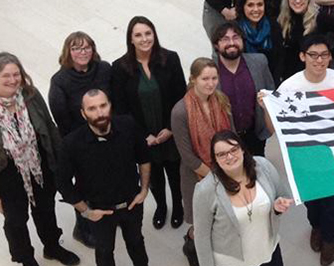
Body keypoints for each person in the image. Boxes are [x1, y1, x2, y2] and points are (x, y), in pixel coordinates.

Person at [0, 53, 80, 266]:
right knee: (16, 220)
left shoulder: (31, 95)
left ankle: (52, 247)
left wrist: (63, 162)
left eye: (16, 74)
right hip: (7, 172)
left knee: (45, 209)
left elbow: (50, 126)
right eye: (6, 76)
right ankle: (25, 258)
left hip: (39, 164)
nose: (13, 80)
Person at [270, 34, 334, 266]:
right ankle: (316, 226)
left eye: (324, 55)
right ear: (302, 56)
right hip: (302, 156)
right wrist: (267, 106)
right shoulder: (289, 87)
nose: (319, 60)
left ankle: (330, 238)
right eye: (313, 55)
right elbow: (275, 126)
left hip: (332, 155)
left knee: (333, 202)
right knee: (312, 200)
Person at [57, 89, 151, 266]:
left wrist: (144, 189)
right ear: (83, 114)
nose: (99, 113)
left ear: (110, 106)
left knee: (136, 242)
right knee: (105, 251)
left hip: (132, 203)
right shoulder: (71, 144)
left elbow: (144, 157)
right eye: (92, 108)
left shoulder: (128, 125)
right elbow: (63, 183)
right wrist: (86, 211)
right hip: (99, 211)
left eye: (103, 105)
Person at [111, 16, 186, 232]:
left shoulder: (170, 59)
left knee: (174, 172)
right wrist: (143, 135)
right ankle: (161, 206)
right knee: (153, 176)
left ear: (154, 34)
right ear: (130, 39)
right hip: (142, 137)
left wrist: (170, 128)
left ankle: (178, 206)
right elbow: (121, 108)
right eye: (138, 35)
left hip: (169, 131)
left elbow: (180, 96)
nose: (144, 39)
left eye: (148, 33)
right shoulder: (119, 67)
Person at [48, 31, 111, 247]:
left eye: (86, 47)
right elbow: (61, 119)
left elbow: (115, 101)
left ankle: (109, 214)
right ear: (68, 52)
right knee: (84, 186)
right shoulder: (59, 81)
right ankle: (82, 227)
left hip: (108, 133)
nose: (82, 52)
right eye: (76, 48)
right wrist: (83, 143)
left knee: (109, 177)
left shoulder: (104, 69)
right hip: (80, 142)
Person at [193, 131, 293, 266]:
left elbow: (283, 195)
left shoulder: (263, 166)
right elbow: (201, 237)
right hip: (233, 261)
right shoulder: (205, 190)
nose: (229, 157)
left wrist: (277, 207)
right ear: (215, 159)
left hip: (268, 250)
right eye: (221, 154)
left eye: (233, 149)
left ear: (243, 150)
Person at [171, 58, 233, 266]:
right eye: (205, 78)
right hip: (196, 177)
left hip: (225, 169)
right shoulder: (180, 111)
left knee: (221, 218)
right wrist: (217, 177)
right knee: (200, 223)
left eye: (214, 78)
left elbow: (231, 136)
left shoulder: (222, 100)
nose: (210, 83)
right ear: (193, 79)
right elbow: (187, 155)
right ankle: (192, 249)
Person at [212, 23, 275, 157]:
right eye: (225, 39)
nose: (231, 43)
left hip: (255, 136)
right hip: (225, 139)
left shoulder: (259, 62)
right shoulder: (209, 70)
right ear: (216, 45)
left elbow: (271, 92)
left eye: (236, 37)